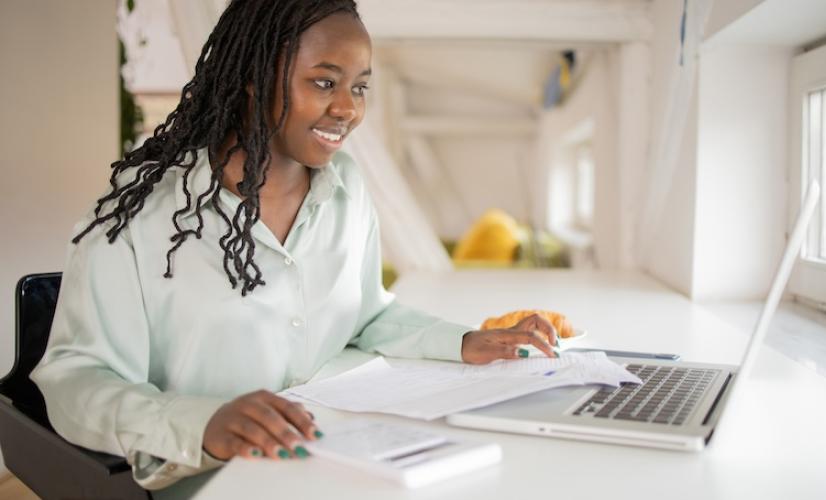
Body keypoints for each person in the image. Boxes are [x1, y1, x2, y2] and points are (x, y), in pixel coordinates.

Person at [31, 0, 558, 495]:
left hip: (335, 457)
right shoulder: (138, 216)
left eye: (359, 87)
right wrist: (202, 422)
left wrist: (465, 340)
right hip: (213, 479)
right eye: (324, 82)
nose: (347, 109)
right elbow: (74, 382)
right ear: (254, 77)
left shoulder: (348, 188)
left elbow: (367, 314)